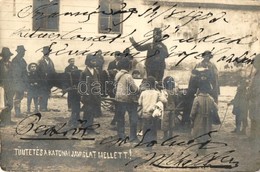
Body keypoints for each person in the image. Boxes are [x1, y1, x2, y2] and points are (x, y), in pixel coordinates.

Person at [190, 76, 218, 154]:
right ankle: (204, 149)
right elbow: (216, 108)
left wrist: (192, 118)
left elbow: (193, 112)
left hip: (199, 118)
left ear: (200, 89)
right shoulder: (211, 99)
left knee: (199, 133)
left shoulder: (197, 99)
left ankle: (200, 149)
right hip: (208, 119)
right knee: (206, 133)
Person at [114, 57, 139, 141]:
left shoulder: (118, 74)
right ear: (128, 66)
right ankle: (133, 136)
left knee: (120, 117)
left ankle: (121, 135)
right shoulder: (128, 76)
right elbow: (134, 89)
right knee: (133, 118)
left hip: (118, 98)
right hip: (128, 99)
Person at [138, 76, 167, 147]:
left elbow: (139, 103)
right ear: (154, 84)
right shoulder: (157, 93)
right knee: (153, 128)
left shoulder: (143, 93)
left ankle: (145, 142)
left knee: (145, 128)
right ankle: (152, 142)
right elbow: (165, 100)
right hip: (153, 114)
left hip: (145, 113)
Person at [79, 53, 101, 134]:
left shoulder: (96, 71)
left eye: (95, 61)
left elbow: (98, 82)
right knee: (87, 112)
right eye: (92, 61)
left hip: (95, 96)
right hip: (87, 96)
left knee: (92, 112)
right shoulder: (84, 72)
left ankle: (90, 127)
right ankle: (85, 128)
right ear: (88, 61)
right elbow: (81, 85)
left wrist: (98, 93)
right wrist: (83, 96)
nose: (94, 62)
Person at [0, 47, 15, 125]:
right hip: (1, 86)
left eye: (8, 55)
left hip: (10, 86)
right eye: (5, 55)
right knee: (2, 103)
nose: (7, 57)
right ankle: (2, 120)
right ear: (3, 56)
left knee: (10, 103)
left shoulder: (11, 64)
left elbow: (13, 76)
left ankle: (8, 120)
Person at [247, 53, 260, 149]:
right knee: (253, 117)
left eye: (256, 62)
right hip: (254, 100)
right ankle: (253, 136)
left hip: (257, 99)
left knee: (257, 118)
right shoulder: (256, 73)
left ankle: (256, 137)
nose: (254, 64)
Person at [11, 45, 28, 117]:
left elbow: (24, 71)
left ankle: (18, 112)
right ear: (19, 52)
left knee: (20, 96)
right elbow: (16, 73)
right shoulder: (15, 60)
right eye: (23, 51)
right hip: (17, 82)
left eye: (24, 51)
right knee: (17, 97)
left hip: (22, 82)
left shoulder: (22, 60)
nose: (24, 53)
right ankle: (17, 113)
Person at [38, 46, 55, 112]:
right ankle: (41, 107)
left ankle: (45, 107)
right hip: (42, 80)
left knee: (47, 93)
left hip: (49, 80)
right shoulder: (40, 61)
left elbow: (53, 70)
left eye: (48, 52)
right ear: (43, 53)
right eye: (46, 52)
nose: (47, 53)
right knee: (42, 93)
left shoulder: (50, 61)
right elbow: (38, 71)